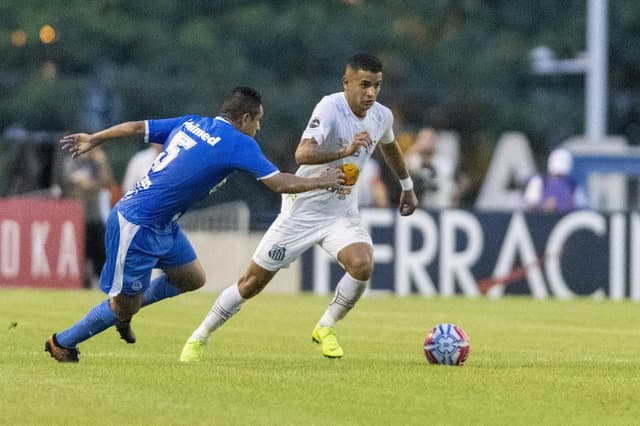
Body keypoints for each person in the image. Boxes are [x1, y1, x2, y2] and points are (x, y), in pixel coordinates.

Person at [45, 86, 345, 363]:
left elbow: (138, 127)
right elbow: (278, 183)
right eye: (258, 121)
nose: (258, 127)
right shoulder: (239, 142)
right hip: (136, 223)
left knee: (192, 278)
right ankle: (63, 342)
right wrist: (321, 181)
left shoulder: (192, 122)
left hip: (163, 223)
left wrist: (97, 136)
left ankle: (127, 306)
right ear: (244, 118)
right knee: (124, 305)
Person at [179, 53, 418, 362]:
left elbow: (390, 146)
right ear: (346, 83)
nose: (370, 93)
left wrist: (407, 186)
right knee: (251, 284)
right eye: (364, 85)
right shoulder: (330, 108)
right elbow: (303, 154)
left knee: (362, 263)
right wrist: (344, 150)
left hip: (341, 213)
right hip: (301, 211)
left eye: (376, 86)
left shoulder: (381, 116)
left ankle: (326, 326)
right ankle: (199, 336)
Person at [57, 145, 116, 287]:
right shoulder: (71, 162)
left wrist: (102, 162)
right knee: (80, 256)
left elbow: (109, 183)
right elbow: (85, 184)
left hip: (94, 216)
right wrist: (96, 182)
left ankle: (102, 284)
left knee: (101, 255)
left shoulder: (96, 164)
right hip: (76, 218)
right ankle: (81, 284)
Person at [523, 147, 585, 212]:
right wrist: (544, 207)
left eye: (561, 175)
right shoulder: (539, 181)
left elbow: (581, 207)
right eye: (556, 175)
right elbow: (529, 205)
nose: (558, 178)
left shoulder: (573, 185)